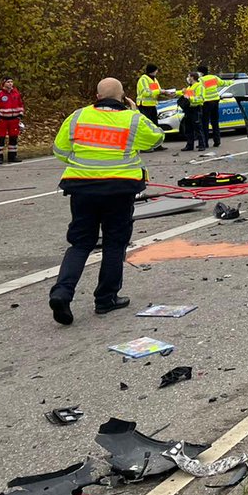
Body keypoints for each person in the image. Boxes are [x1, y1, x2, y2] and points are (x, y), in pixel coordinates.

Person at [48, 78, 164, 324]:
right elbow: (156, 139)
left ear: (97, 95)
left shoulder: (78, 117)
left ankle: (62, 293)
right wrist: (136, 112)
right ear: (122, 98)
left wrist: (84, 163)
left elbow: (59, 150)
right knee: (114, 243)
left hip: (82, 189)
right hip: (119, 191)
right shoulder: (131, 119)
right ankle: (106, 298)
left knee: (80, 244)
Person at [197, 64, 233, 148]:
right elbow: (224, 83)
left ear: (201, 72)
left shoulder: (200, 80)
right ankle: (217, 141)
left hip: (206, 103)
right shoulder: (214, 77)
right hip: (215, 101)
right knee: (215, 122)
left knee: (204, 123)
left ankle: (205, 142)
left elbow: (197, 90)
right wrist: (232, 81)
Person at [0, 77, 23, 163]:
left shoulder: (16, 93)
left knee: (13, 138)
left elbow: (20, 104)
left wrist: (20, 115)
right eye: (8, 82)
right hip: (2, 120)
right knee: (1, 139)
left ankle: (12, 157)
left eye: (11, 82)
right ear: (4, 83)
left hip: (14, 120)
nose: (10, 84)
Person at [181, 71, 207, 152]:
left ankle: (202, 145)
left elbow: (201, 98)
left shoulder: (199, 87)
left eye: (189, 76)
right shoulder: (190, 87)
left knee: (198, 128)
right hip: (188, 109)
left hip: (196, 109)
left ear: (193, 77)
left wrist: (190, 98)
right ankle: (189, 145)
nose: (188, 78)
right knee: (188, 129)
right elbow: (186, 95)